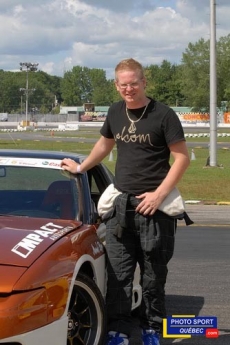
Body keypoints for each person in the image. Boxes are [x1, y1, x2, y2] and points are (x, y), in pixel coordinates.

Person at [60, 58, 190, 345]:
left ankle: (151, 329)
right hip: (121, 208)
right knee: (118, 276)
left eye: (134, 83)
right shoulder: (116, 112)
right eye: (123, 84)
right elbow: (104, 145)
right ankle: (117, 330)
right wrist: (81, 168)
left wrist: (158, 195)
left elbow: (183, 158)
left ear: (144, 82)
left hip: (155, 210)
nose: (129, 89)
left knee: (153, 277)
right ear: (116, 86)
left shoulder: (164, 114)